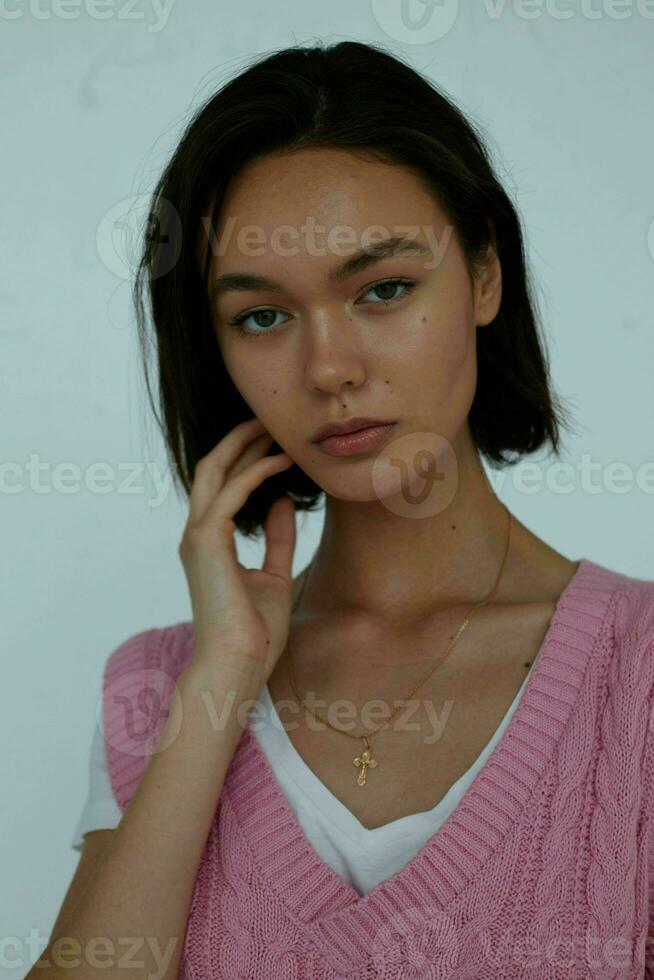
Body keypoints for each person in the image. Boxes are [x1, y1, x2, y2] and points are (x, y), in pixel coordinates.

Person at [34, 39, 654, 979]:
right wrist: (224, 676)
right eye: (262, 317)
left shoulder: (638, 675)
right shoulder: (161, 687)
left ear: (485, 275)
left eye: (385, 288)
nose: (329, 368)